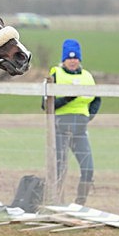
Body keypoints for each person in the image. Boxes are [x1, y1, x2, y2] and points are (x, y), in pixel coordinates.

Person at [45, 39, 101, 205]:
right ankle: (56, 202)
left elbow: (97, 99)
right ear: (63, 60)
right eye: (69, 58)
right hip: (60, 128)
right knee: (59, 168)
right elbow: (46, 105)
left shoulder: (87, 76)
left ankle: (79, 204)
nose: (72, 61)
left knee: (88, 168)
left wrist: (89, 116)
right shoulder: (55, 74)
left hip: (80, 130)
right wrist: (68, 98)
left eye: (75, 58)